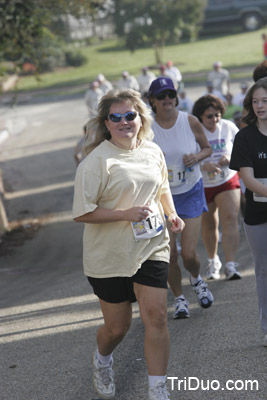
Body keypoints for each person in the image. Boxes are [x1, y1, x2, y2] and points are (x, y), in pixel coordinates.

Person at [72, 88, 185, 400]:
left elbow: (162, 186)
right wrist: (124, 214)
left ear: (140, 118)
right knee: (117, 329)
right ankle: (102, 360)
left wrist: (172, 214)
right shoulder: (96, 163)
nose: (124, 122)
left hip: (152, 245)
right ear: (106, 123)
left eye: (130, 115)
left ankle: (157, 388)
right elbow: (82, 213)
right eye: (116, 117)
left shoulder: (152, 151)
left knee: (157, 315)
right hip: (109, 256)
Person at [148, 77, 213, 320]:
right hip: (162, 198)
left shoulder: (190, 121)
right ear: (152, 101)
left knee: (188, 254)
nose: (167, 99)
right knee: (170, 255)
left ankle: (196, 279)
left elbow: (207, 148)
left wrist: (196, 158)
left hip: (190, 191)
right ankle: (179, 298)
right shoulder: (147, 128)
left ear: (176, 97)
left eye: (170, 95)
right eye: (161, 95)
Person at [229, 77, 267, 347]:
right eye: (255, 102)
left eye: (265, 101)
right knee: (263, 271)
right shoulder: (244, 137)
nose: (259, 106)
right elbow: (248, 179)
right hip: (258, 216)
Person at [192, 94, 241, 281]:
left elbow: (242, 147)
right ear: (200, 117)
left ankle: (230, 264)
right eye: (209, 116)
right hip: (203, 182)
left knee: (230, 218)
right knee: (209, 224)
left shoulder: (228, 127)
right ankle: (213, 261)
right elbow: (185, 156)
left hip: (227, 179)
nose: (214, 119)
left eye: (217, 114)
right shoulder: (194, 130)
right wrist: (203, 165)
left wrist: (230, 158)